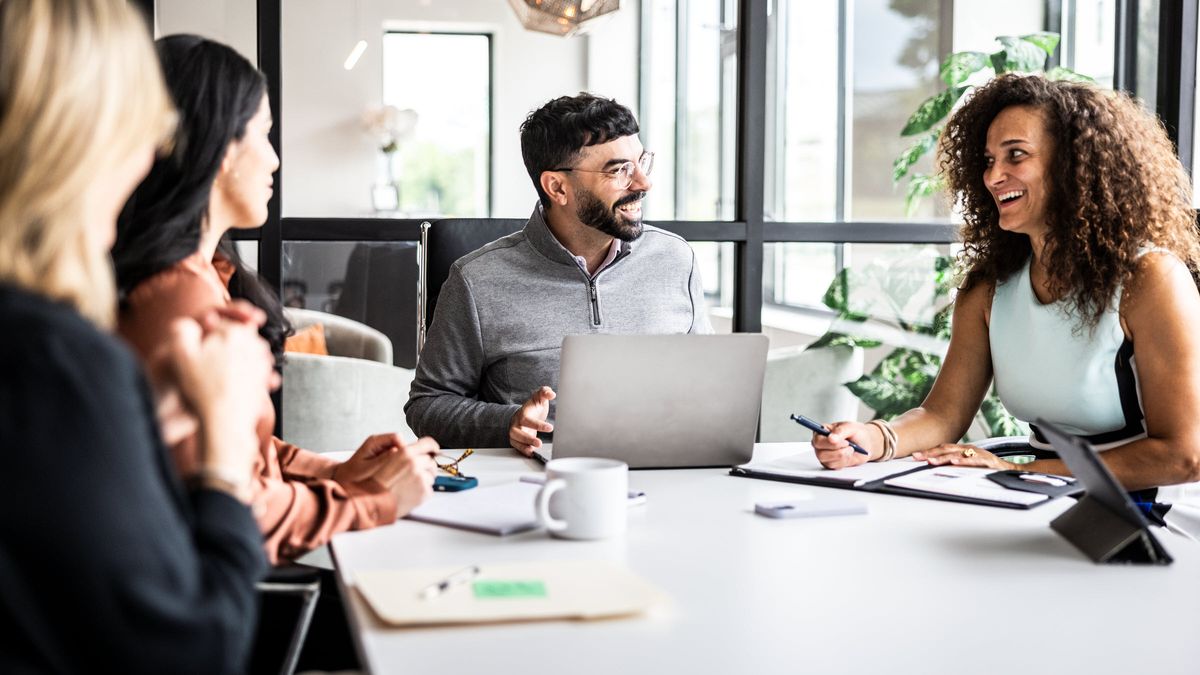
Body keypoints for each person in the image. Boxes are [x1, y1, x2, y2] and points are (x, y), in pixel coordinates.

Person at [0, 0, 276, 671]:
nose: (151, 157)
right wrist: (221, 441)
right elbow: (194, 649)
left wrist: (134, 428)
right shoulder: (54, 358)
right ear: (75, 138)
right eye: (141, 128)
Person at [812, 74, 1200, 536]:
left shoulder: (1150, 279)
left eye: (1016, 155)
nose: (994, 176)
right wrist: (876, 438)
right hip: (1041, 502)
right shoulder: (989, 289)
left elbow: (1184, 455)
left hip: (1153, 515)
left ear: (1074, 164)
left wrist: (1021, 473)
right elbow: (943, 414)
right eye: (989, 160)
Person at [113, 34, 439, 566]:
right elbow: (235, 507)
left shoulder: (203, 275)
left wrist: (336, 473)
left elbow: (246, 452)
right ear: (217, 145)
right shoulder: (178, 304)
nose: (275, 158)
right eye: (263, 134)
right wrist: (373, 501)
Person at [407, 93, 713, 454]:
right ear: (557, 187)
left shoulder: (676, 258)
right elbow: (428, 406)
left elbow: (708, 384)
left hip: (670, 469)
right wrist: (508, 423)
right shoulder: (476, 280)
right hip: (539, 485)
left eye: (641, 162)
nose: (643, 183)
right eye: (620, 170)